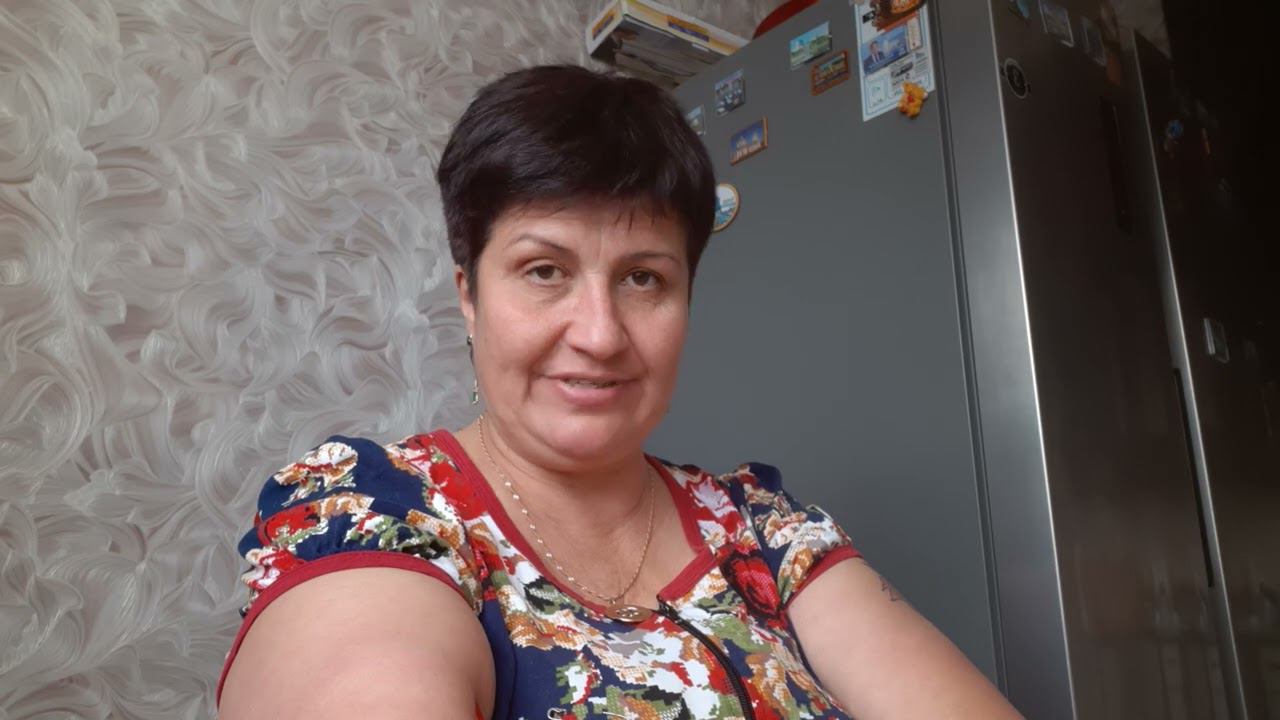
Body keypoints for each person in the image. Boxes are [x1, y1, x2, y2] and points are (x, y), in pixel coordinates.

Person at [215, 65, 1023, 719]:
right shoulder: (372, 515)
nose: (600, 334)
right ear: (469, 295)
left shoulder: (767, 530)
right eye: (544, 270)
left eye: (643, 279)